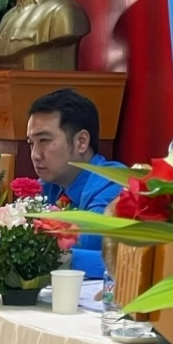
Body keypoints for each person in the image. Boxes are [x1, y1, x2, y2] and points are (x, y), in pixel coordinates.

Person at [27, 87, 119, 278]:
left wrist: (32, 251)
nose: (35, 155)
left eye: (44, 141)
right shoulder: (49, 185)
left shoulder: (112, 184)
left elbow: (90, 244)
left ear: (81, 142)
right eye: (31, 143)